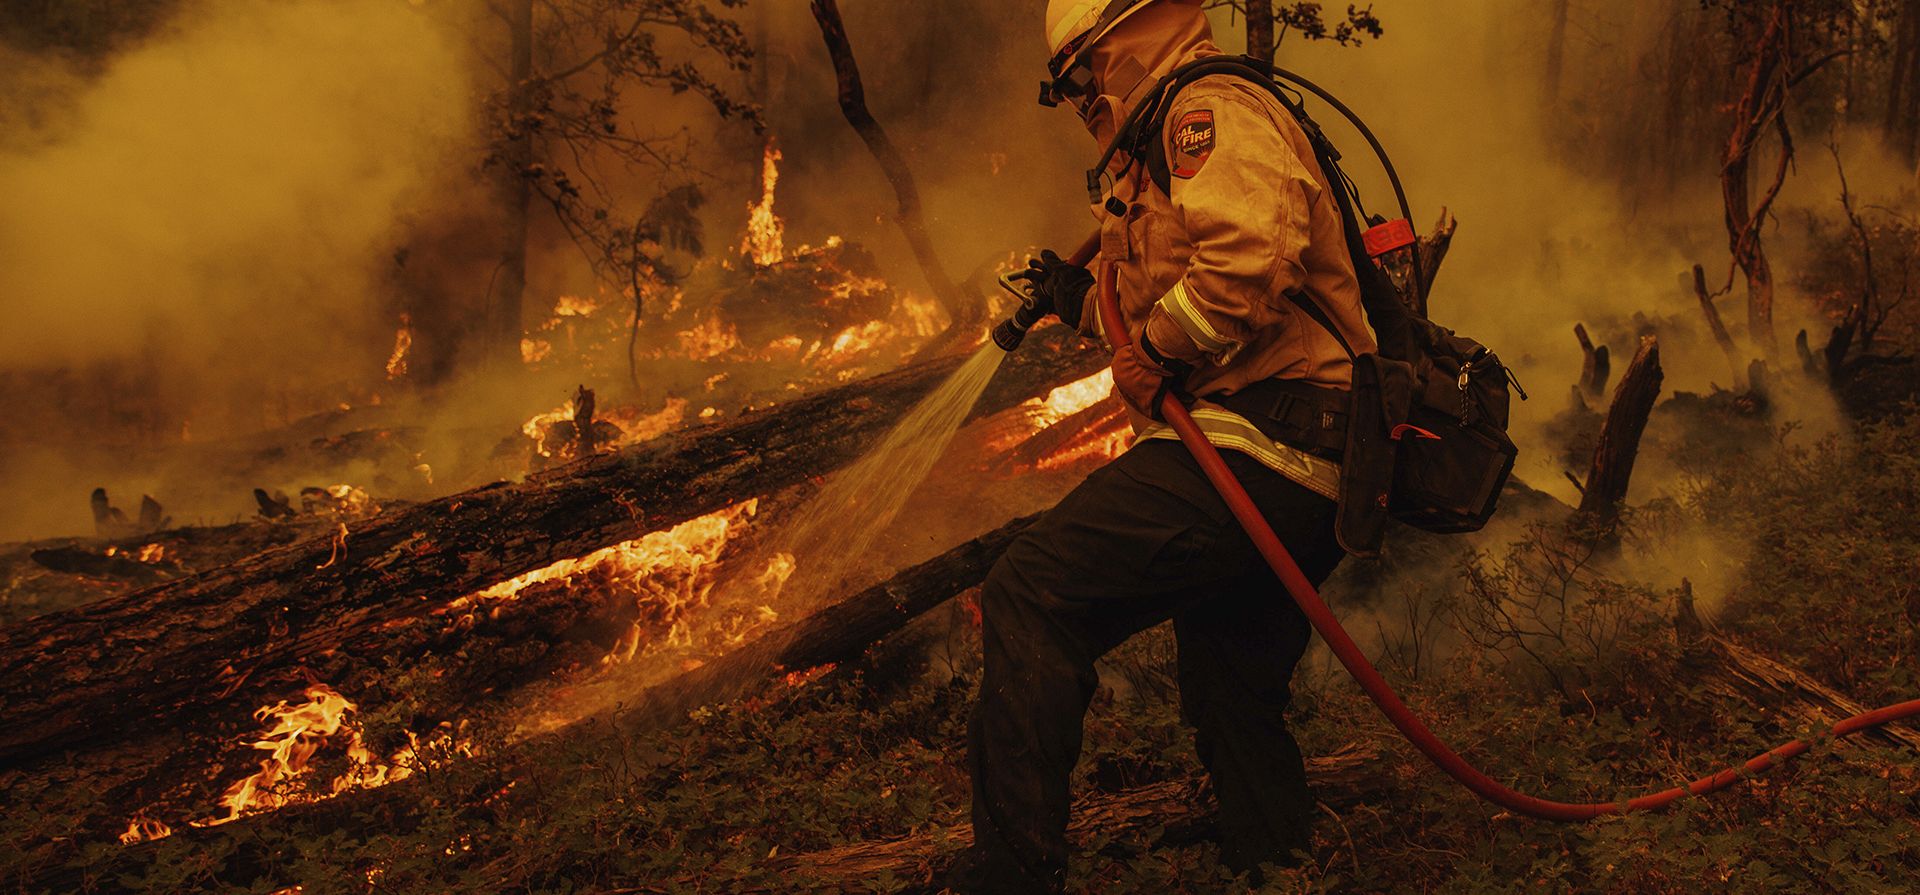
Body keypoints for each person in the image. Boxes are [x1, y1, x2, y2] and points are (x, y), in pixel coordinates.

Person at [947, 1, 1379, 891]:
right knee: (1231, 686)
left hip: (1261, 444)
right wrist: (1080, 298)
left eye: (1076, 78)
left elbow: (1246, 267)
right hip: (1291, 454)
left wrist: (1152, 353)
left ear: (1119, 44)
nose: (1079, 101)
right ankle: (1280, 866)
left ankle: (1011, 879)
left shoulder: (1204, 111)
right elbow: (1173, 289)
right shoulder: (1158, 150)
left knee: (1030, 592)